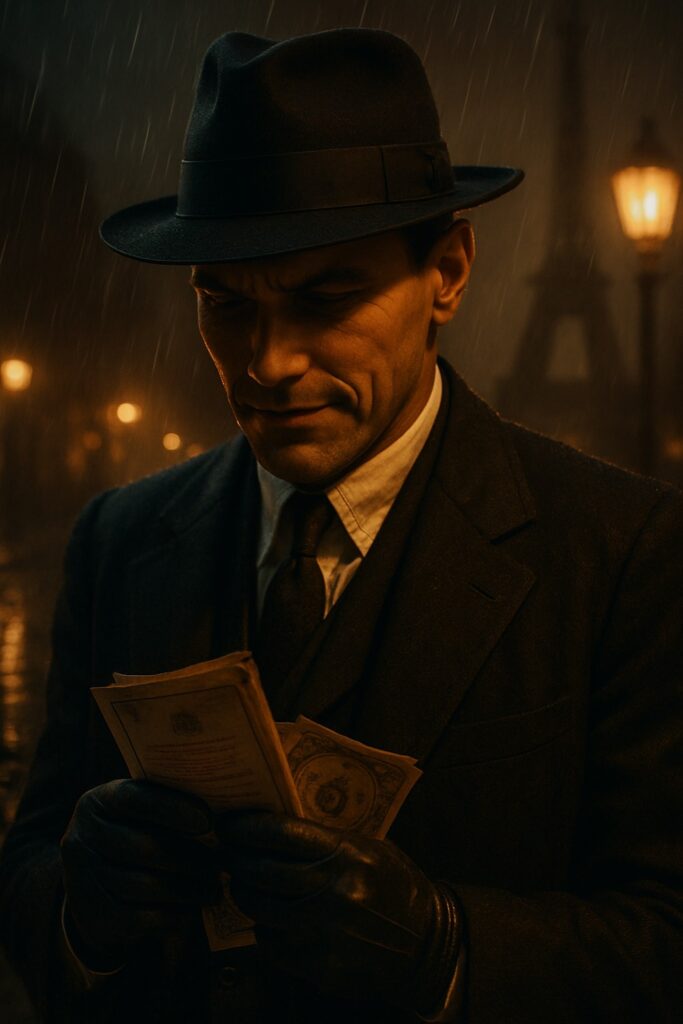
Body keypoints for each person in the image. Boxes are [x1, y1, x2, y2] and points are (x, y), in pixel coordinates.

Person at [1, 26, 682, 1024]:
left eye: (326, 298)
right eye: (225, 306)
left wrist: (447, 949)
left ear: (447, 271)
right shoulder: (117, 539)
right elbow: (29, 864)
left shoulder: (625, 551)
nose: (266, 363)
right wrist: (77, 909)